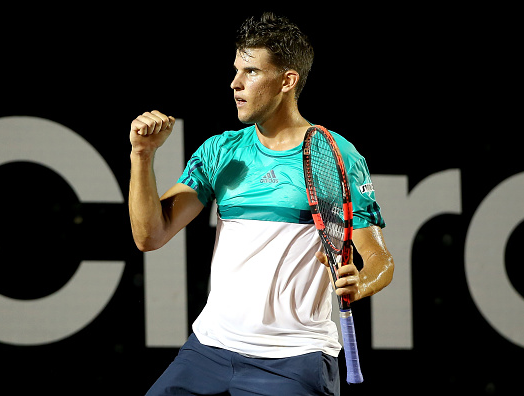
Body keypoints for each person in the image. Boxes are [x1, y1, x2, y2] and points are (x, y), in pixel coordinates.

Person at [129, 12, 394, 396]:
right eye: (236, 70)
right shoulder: (222, 151)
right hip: (208, 350)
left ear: (287, 81)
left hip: (294, 360)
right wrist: (142, 155)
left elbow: (380, 261)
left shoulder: (335, 154)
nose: (235, 84)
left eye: (251, 72)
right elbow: (149, 236)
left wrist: (361, 281)